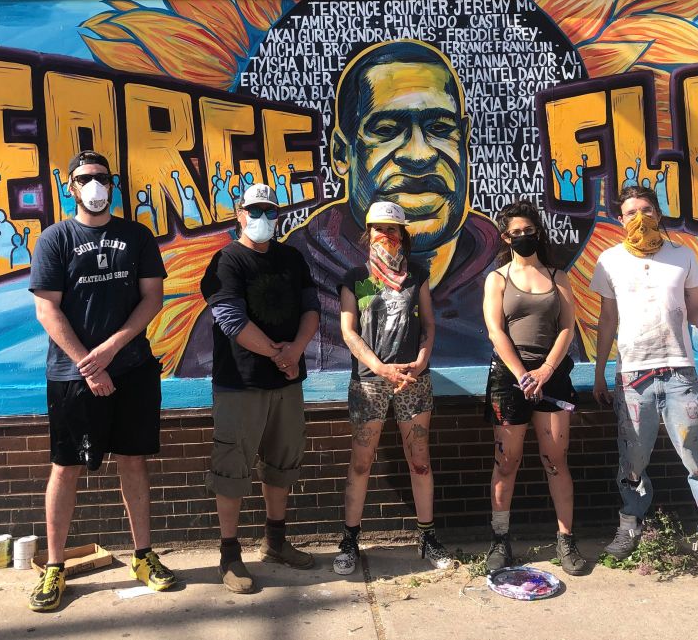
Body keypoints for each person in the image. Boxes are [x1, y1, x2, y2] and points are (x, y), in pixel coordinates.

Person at [271, 39, 500, 373]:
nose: (420, 155)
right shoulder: (297, 271)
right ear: (340, 154)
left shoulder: (505, 276)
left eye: (440, 128)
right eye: (387, 130)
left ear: (464, 140)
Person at [27, 150, 174, 612]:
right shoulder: (55, 239)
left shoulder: (136, 235)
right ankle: (55, 567)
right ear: (69, 186)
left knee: (133, 462)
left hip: (131, 368)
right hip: (72, 377)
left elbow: (153, 298)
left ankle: (143, 556)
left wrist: (110, 350)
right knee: (66, 467)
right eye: (85, 178)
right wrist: (87, 364)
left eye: (103, 177)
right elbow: (46, 308)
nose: (95, 185)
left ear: (113, 184)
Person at [591, 185, 698, 581]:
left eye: (646, 209)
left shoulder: (682, 256)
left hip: (680, 372)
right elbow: (607, 321)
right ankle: (631, 523)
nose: (639, 217)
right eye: (630, 212)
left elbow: (695, 312)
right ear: (619, 218)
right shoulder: (609, 261)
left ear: (658, 213)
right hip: (632, 377)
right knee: (633, 459)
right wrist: (599, 372)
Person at [202, 183, 321, 593]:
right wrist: (280, 355)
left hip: (287, 382)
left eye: (270, 211)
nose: (263, 219)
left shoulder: (292, 258)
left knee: (281, 464)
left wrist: (297, 351)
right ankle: (230, 554)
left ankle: (275, 541)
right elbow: (230, 320)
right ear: (239, 214)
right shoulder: (226, 262)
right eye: (254, 210)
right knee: (233, 466)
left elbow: (311, 309)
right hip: (241, 382)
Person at [333, 201, 454, 575]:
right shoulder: (355, 278)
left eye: (394, 229)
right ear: (367, 233)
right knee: (361, 462)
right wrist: (379, 368)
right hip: (370, 383)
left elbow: (430, 325)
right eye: (380, 229)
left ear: (403, 235)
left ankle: (427, 536)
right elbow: (348, 331)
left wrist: (421, 359)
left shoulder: (418, 275)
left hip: (413, 382)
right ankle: (350, 539)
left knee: (419, 461)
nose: (387, 236)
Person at [482, 200, 588, 576]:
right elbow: (495, 330)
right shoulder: (497, 279)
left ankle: (565, 539)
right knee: (506, 462)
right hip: (508, 381)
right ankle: (500, 539)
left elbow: (567, 328)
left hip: (553, 377)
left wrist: (544, 371)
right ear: (505, 236)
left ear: (537, 232)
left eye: (530, 231)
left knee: (555, 461)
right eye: (516, 232)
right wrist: (521, 373)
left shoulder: (558, 276)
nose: (523, 237)